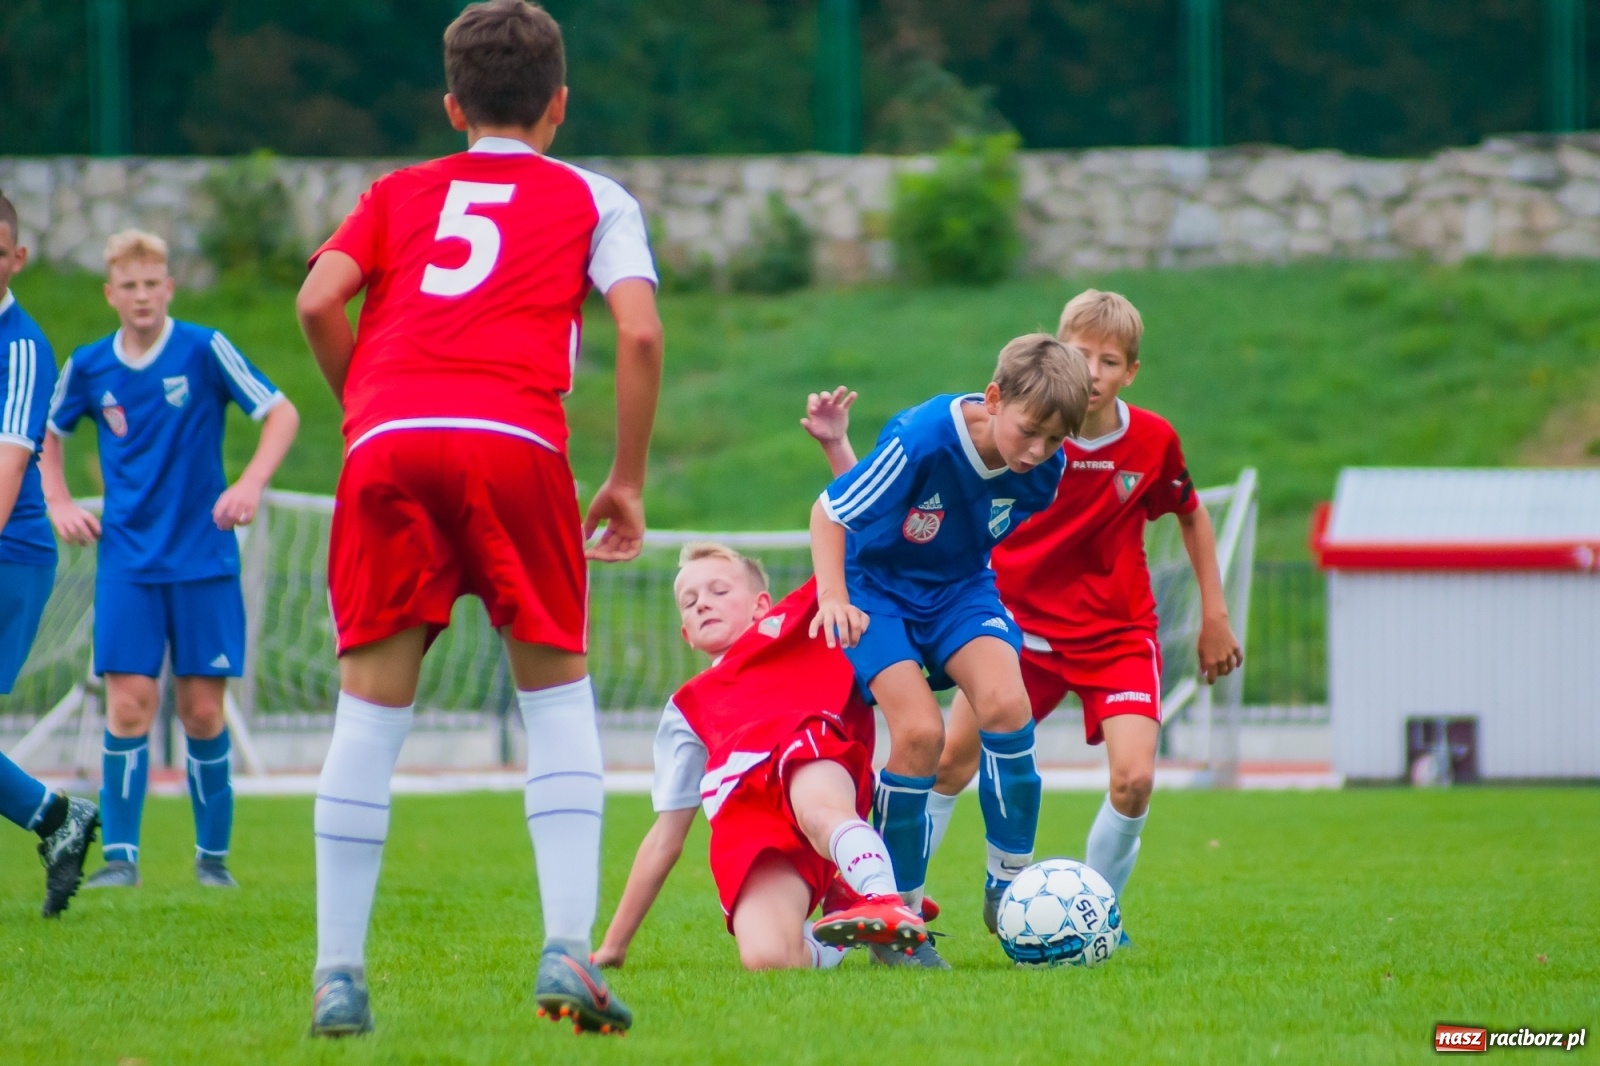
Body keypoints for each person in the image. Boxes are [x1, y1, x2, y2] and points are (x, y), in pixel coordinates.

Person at [294, 0, 662, 1038]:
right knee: (555, 696)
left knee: (368, 713)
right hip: (514, 442)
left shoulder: (397, 190)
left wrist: (367, 409)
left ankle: (336, 974)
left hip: (391, 442)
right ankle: (565, 944)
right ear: (559, 105)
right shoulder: (595, 198)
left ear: (452, 103)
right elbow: (636, 332)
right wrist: (625, 478)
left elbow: (319, 300)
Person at [926, 289, 1242, 931]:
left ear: (1130, 372)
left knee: (1134, 781)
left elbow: (1190, 513)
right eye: (1081, 355)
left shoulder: (1151, 442)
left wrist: (1215, 613)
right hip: (1014, 629)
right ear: (1056, 352)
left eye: (1110, 360)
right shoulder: (1028, 434)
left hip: (1116, 637)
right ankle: (891, 904)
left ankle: (1092, 915)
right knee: (944, 761)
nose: (1093, 373)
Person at [809, 334, 1090, 966]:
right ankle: (898, 920)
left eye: (1056, 439)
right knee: (918, 734)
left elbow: (967, 536)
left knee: (1007, 703)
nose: (1040, 450)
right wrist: (833, 596)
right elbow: (832, 512)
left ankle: (1010, 881)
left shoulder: (1044, 471)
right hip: (876, 592)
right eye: (1031, 431)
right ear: (994, 399)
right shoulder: (923, 437)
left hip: (961, 590)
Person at [41, 229, 298, 892]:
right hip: (127, 561)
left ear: (169, 287)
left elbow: (282, 414)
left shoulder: (204, 349)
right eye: (128, 286)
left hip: (203, 560)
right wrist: (60, 499)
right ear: (110, 294)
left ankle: (213, 863)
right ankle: (120, 860)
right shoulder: (91, 365)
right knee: (128, 705)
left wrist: (250, 484)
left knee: (202, 712)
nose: (142, 296)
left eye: (152, 283)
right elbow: (44, 430)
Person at [593, 539, 926, 973]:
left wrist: (837, 468)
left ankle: (883, 898)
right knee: (770, 959)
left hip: (812, 763)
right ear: (685, 634)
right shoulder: (687, 708)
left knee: (816, 801)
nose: (702, 605)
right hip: (754, 828)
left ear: (760, 605)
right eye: (689, 602)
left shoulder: (801, 622)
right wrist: (614, 945)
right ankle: (843, 913)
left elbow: (857, 527)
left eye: (719, 591)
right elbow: (665, 838)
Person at [0, 190, 100, 918]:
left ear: (18, 259)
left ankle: (58, 817)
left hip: (10, 553)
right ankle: (57, 818)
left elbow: (10, 461)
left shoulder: (22, 345)